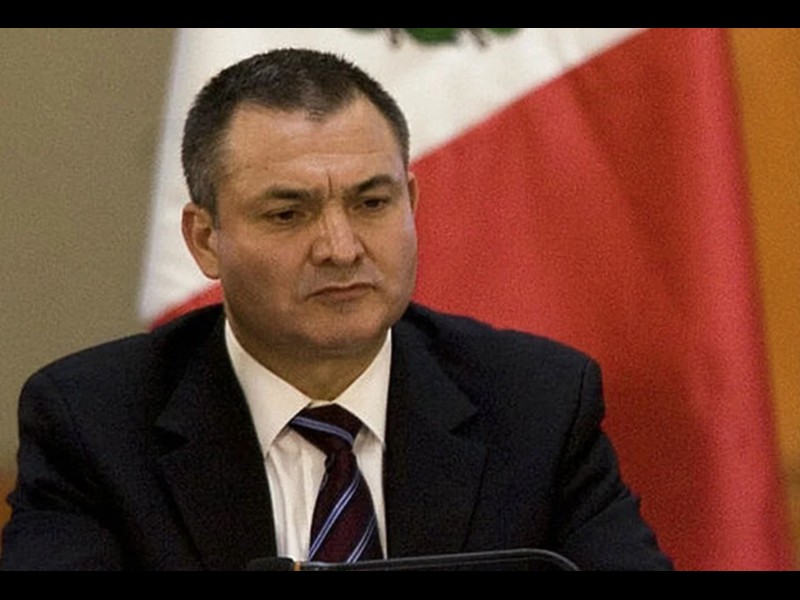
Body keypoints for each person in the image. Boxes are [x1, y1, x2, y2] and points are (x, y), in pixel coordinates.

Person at [0, 48, 673, 571]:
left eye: (372, 203)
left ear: (411, 203)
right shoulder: (94, 424)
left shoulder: (536, 404)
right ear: (205, 240)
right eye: (288, 213)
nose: (341, 247)